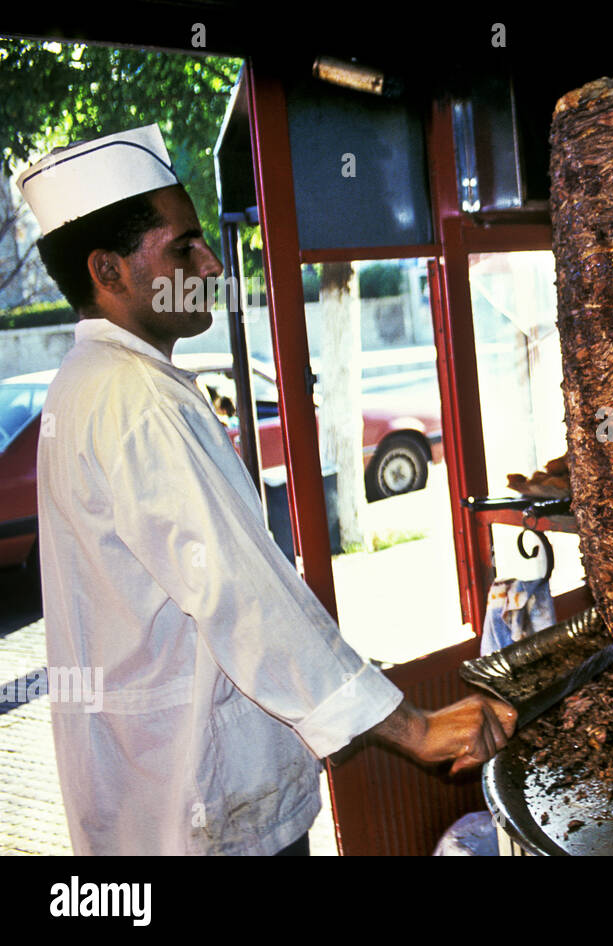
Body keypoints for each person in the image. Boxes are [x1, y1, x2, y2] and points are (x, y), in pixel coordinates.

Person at [19, 124, 516, 855]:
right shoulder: (137, 399)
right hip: (205, 806)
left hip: (154, 798)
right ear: (109, 270)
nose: (214, 263)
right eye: (183, 246)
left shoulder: (88, 383)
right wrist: (416, 729)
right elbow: (241, 591)